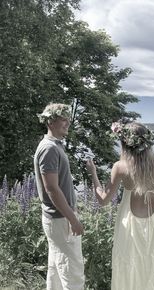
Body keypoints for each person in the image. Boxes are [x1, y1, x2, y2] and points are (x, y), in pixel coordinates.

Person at [86, 89, 154, 290]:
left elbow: (103, 200)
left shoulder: (120, 168)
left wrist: (93, 173)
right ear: (147, 142)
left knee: (130, 273)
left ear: (125, 144)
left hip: (128, 230)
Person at [34, 103, 85, 290]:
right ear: (51, 121)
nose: (67, 123)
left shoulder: (53, 146)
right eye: (63, 119)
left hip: (57, 219)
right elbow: (52, 189)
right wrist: (73, 219)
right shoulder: (49, 149)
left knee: (56, 271)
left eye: (68, 119)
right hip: (61, 219)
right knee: (73, 274)